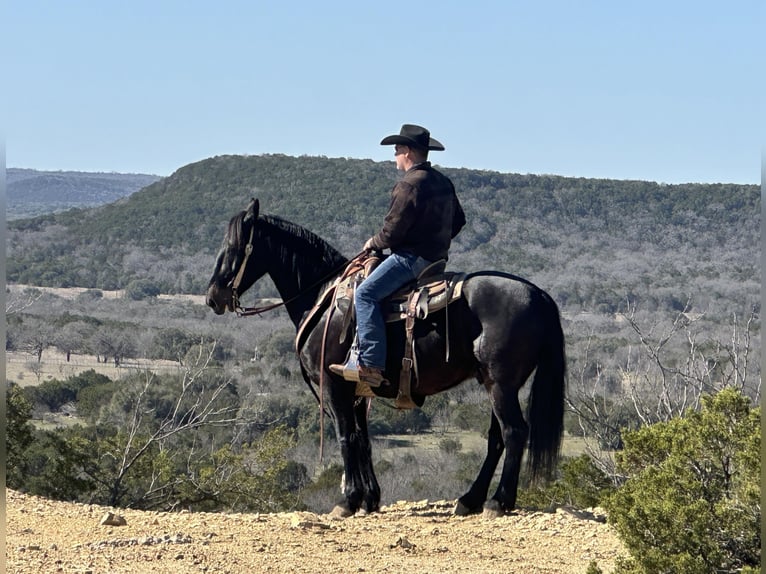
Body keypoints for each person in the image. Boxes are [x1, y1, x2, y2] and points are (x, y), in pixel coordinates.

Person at [330, 124, 466, 387]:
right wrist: (436, 239)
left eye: (397, 150)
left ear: (409, 152)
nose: (394, 155)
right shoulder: (443, 182)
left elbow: (391, 234)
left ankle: (370, 363)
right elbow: (458, 221)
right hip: (437, 262)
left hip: (410, 260)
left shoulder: (409, 185)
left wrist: (373, 242)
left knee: (364, 294)